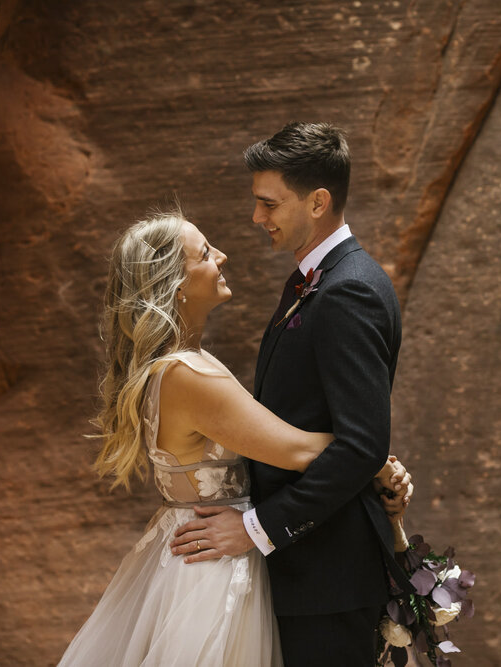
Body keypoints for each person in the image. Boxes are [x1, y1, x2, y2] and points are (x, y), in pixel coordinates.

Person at [58, 212, 412, 666]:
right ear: (176, 286)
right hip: (213, 571)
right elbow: (297, 449)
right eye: (205, 253)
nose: (222, 257)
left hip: (195, 556)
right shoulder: (187, 375)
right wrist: (375, 459)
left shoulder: (178, 365)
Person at [169, 122, 413, 666]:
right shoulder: (314, 279)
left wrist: (256, 530)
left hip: (328, 577)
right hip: (307, 572)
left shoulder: (348, 289)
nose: (258, 219)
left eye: (268, 204)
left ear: (318, 201)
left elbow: (360, 445)